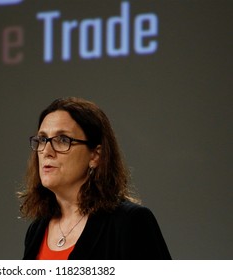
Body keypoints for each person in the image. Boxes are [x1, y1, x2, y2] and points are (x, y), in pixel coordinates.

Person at [18, 97, 171, 260]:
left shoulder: (130, 222)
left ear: (95, 155)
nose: (46, 151)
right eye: (42, 140)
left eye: (62, 140)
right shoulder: (37, 230)